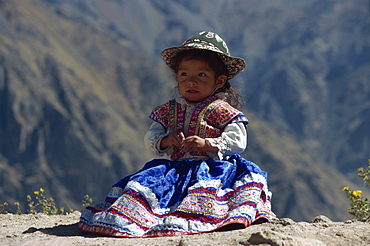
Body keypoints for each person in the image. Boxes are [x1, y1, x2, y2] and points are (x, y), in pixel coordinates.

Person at [78, 31, 273, 237]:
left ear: (219, 81)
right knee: (144, 195)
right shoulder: (168, 111)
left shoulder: (223, 111)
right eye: (184, 74)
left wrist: (207, 144)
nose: (191, 81)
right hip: (176, 171)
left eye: (201, 75)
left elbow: (238, 141)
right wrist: (166, 141)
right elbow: (150, 139)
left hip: (213, 171)